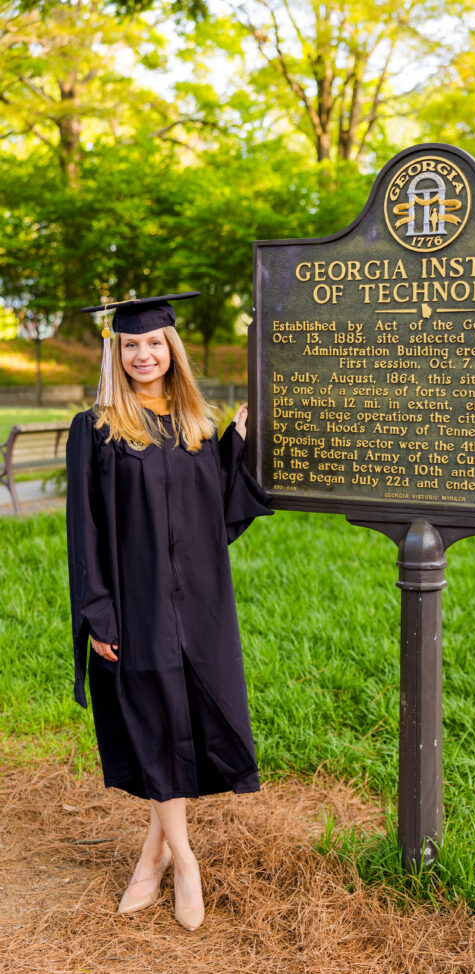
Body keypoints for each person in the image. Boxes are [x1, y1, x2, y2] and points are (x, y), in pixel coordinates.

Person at [65, 292, 272, 932]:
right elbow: (86, 531)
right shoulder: (96, 429)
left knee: (186, 715)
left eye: (154, 343)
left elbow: (221, 519)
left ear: (171, 350)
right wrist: (99, 612)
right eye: (131, 344)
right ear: (116, 353)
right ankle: (184, 860)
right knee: (155, 721)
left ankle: (149, 858)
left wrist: (236, 442)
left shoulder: (195, 427)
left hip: (201, 601)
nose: (143, 354)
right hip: (137, 599)